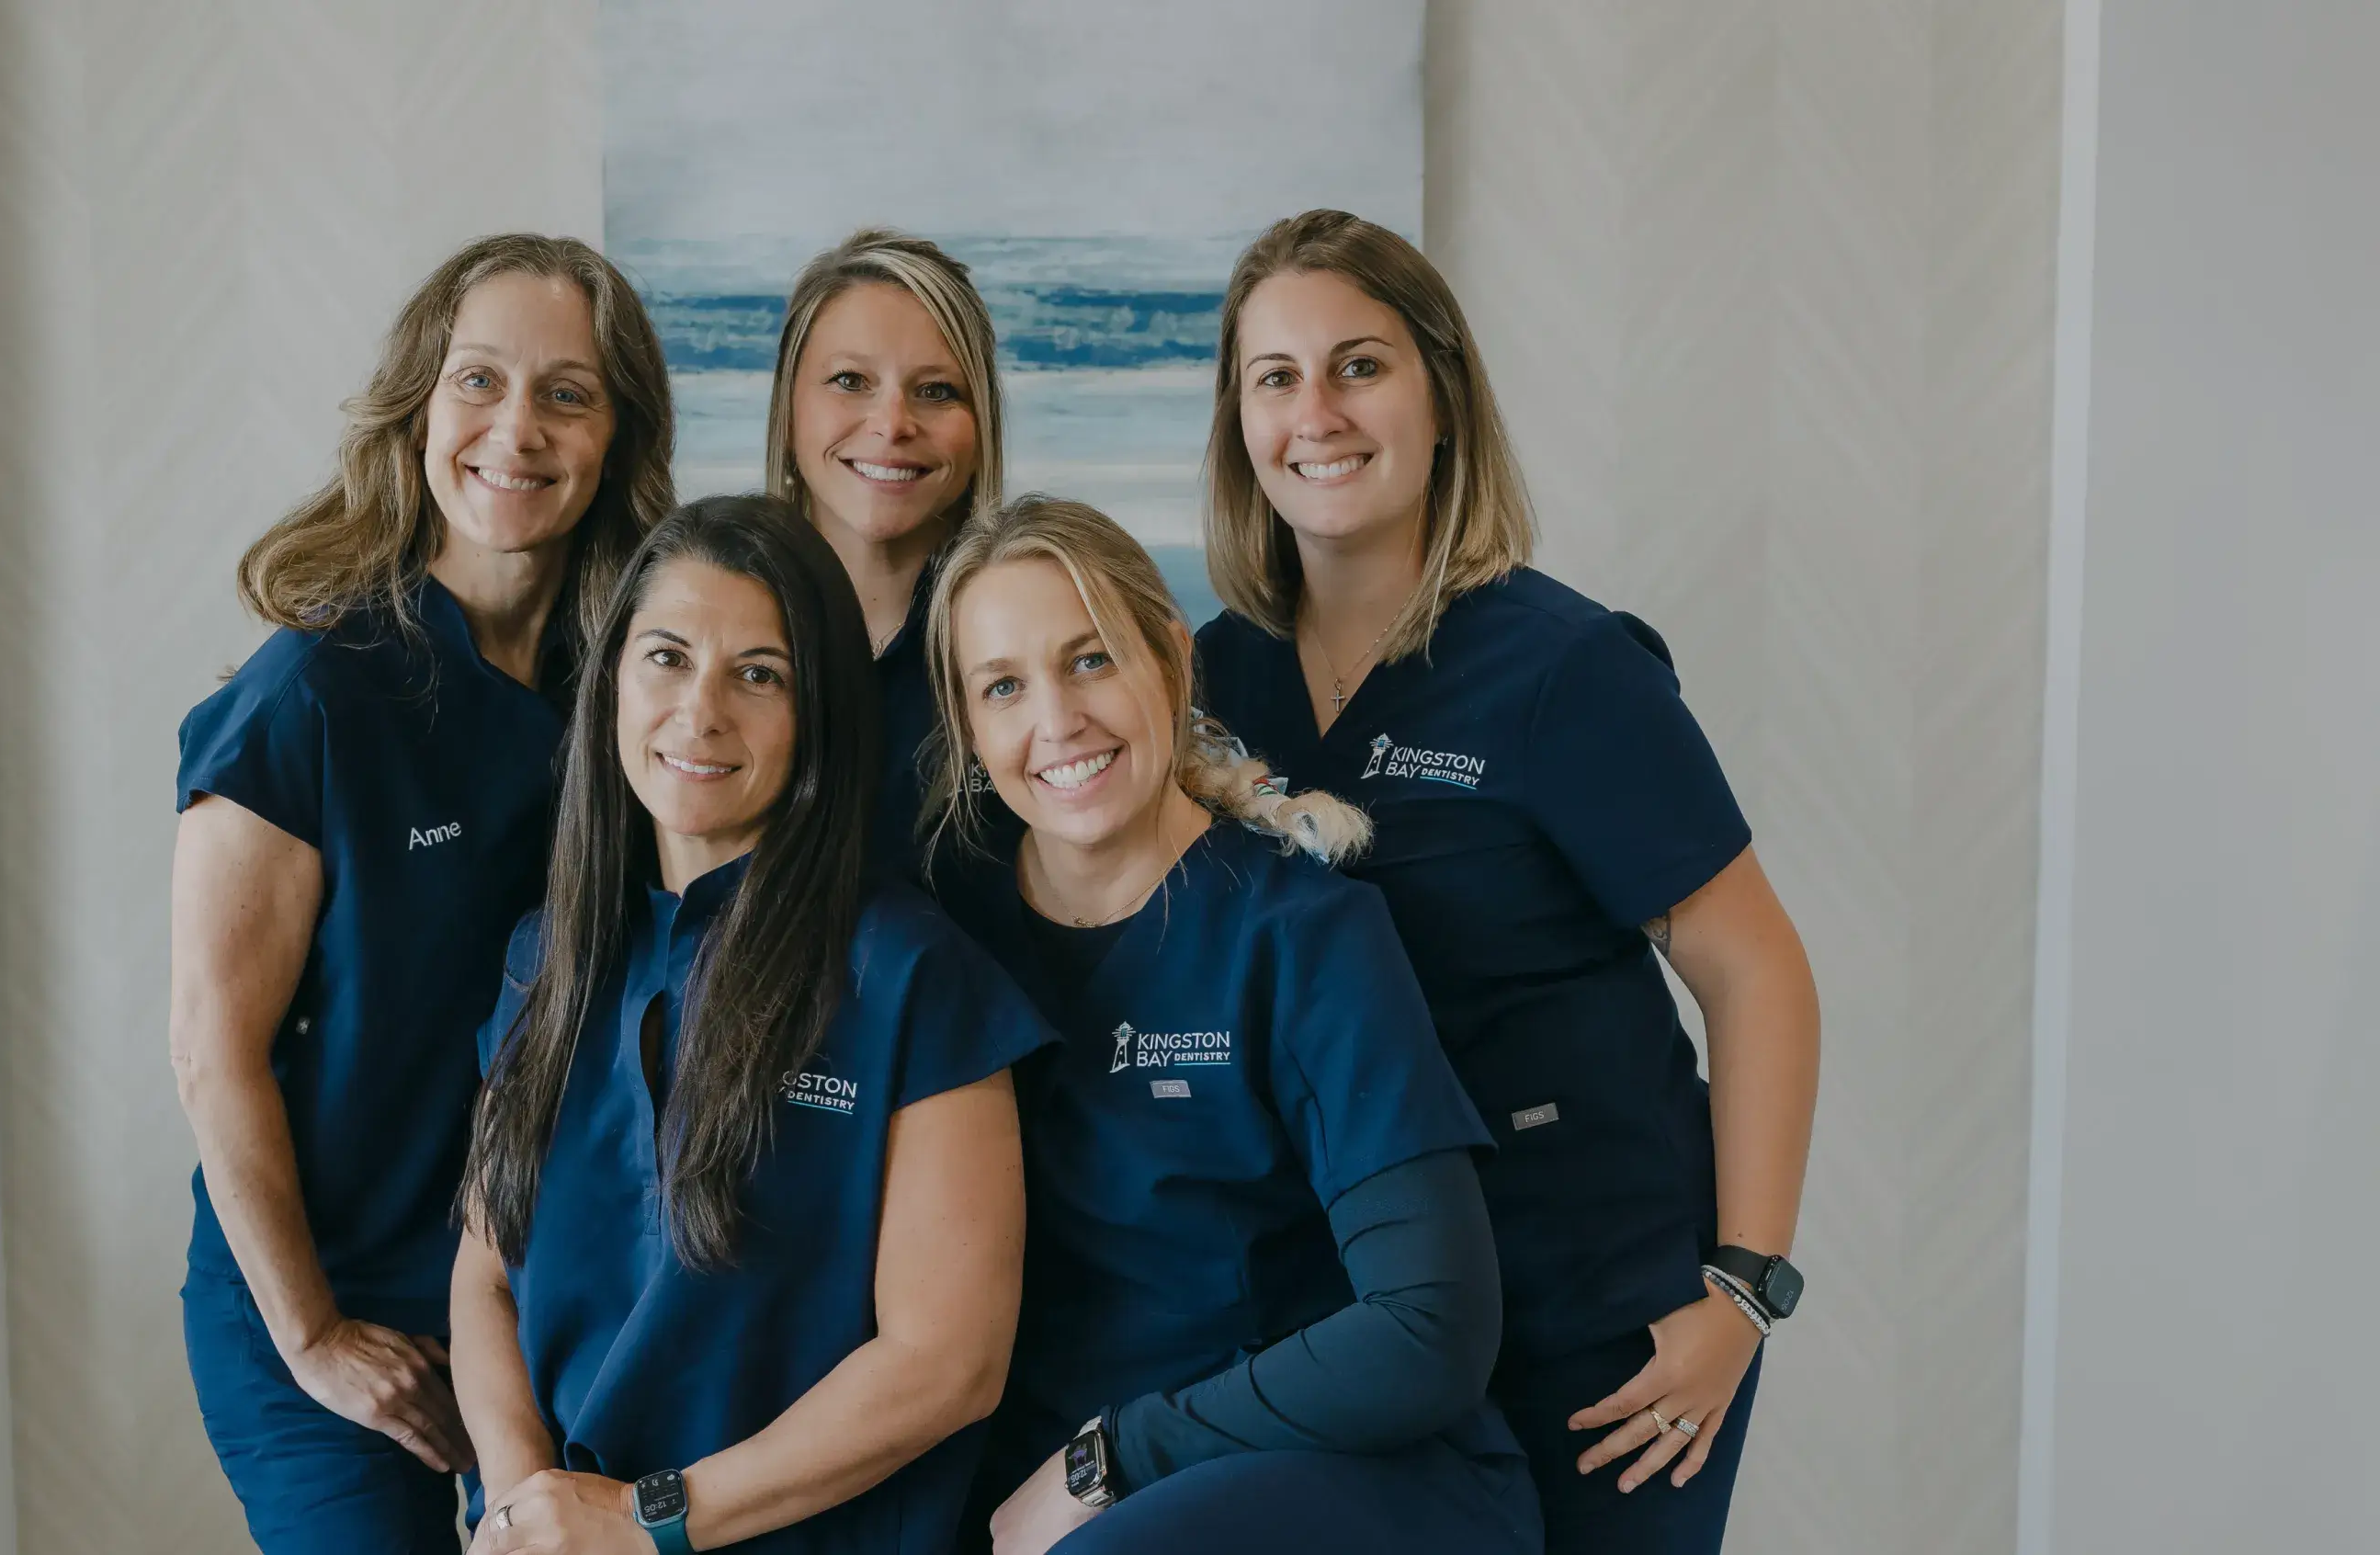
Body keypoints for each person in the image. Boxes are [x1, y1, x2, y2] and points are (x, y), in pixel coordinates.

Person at [1192, 210, 1822, 1555]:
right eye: (1276, 376)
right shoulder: (1210, 682)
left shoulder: (1565, 669)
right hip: (1354, 1324)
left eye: (1359, 366)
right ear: (1239, 419)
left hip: (1599, 1326)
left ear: (1440, 396)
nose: (1318, 413)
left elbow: (1754, 970)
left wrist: (1745, 1292)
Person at [168, 233, 674, 1553]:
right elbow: (213, 1053)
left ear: (617, 435)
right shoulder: (310, 698)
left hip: (543, 1298)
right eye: (480, 382)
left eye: (567, 393)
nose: (518, 427)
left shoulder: (634, 690)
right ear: (419, 407)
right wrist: (315, 1336)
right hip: (334, 1302)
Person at [921, 496, 1541, 1555]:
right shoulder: (937, 930)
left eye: (1091, 660)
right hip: (1038, 1489)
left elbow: (1429, 1328)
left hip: (1333, 1476)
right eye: (1004, 686)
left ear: (1169, 656)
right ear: (968, 727)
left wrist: (1111, 1458)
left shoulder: (1304, 933)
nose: (1057, 720)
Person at [451, 494, 1052, 1554]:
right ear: (611, 682)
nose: (700, 712)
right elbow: (484, 1275)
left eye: (759, 675)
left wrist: (645, 1524)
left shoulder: (910, 974)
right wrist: (522, 1510)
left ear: (816, 715)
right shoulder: (543, 955)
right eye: (667, 658)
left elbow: (947, 1363)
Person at [764, 229, 1005, 873]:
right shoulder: (705, 629)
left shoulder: (1038, 635)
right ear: (788, 412)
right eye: (850, 380)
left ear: (980, 430)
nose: (893, 422)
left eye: (936, 391)